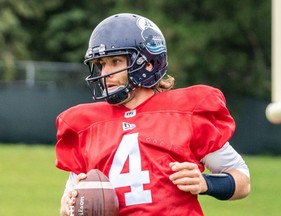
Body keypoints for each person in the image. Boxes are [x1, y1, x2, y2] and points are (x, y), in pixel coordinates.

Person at [55, 13, 250, 216]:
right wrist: (70, 206)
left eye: (115, 61)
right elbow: (68, 203)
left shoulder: (184, 113)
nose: (106, 72)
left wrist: (206, 183)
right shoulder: (87, 125)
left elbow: (242, 180)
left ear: (147, 63)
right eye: (101, 64)